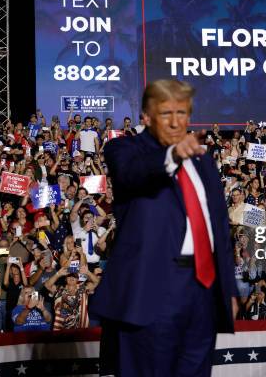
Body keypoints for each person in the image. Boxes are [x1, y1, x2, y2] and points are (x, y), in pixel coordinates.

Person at [90, 79, 238, 376]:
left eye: (181, 113)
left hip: (202, 291)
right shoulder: (124, 149)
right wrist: (172, 156)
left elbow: (219, 227)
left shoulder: (203, 161)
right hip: (152, 290)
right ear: (146, 116)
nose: (175, 122)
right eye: (166, 113)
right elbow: (134, 175)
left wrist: (228, 289)